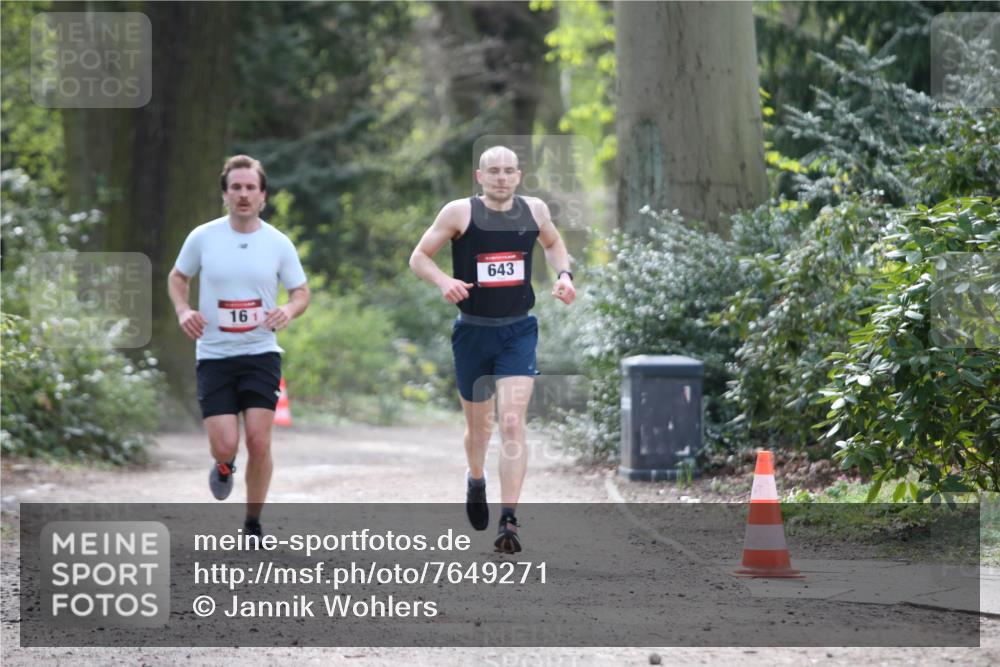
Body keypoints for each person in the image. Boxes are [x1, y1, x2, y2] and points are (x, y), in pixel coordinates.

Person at [409, 145, 576, 553]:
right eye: (493, 171)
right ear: (480, 177)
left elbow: (554, 244)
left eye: (508, 171)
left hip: (518, 331)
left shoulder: (534, 211)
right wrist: (443, 282)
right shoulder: (458, 213)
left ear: (518, 176)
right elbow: (418, 257)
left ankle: (509, 519)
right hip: (473, 333)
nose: (501, 178)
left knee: (513, 422)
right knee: (479, 429)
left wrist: (565, 275)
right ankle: (476, 476)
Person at [168, 155, 310, 539]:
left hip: (261, 353)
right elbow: (178, 277)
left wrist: (288, 310)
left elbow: (300, 292)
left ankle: (252, 523)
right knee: (225, 444)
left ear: (263, 196)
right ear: (225, 194)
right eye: (236, 188)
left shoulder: (277, 243)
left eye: (251, 188)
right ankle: (224, 465)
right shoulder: (203, 237)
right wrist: (183, 311)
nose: (244, 194)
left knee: (259, 441)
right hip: (214, 355)